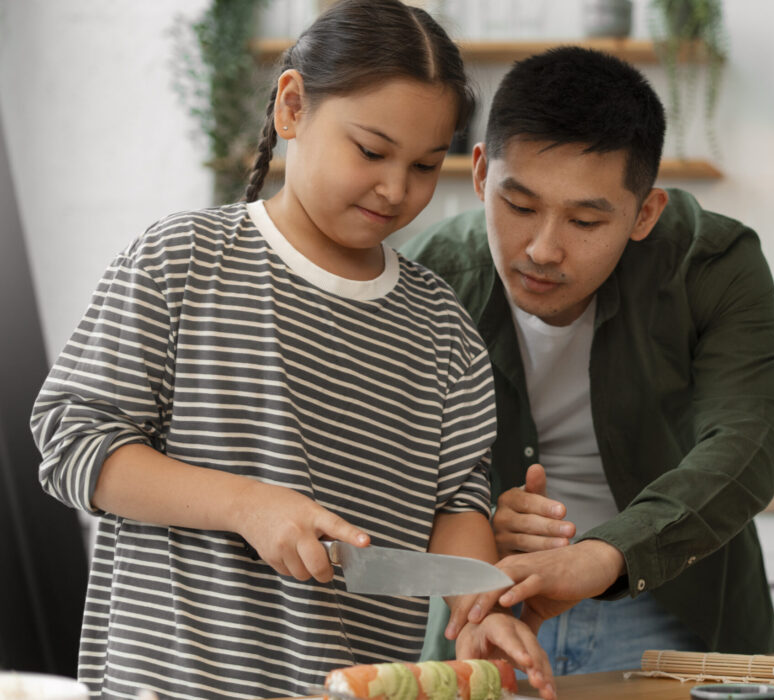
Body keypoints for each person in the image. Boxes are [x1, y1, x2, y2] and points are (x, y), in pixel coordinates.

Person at [29, 2, 555, 698]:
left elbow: (455, 506)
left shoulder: (441, 329)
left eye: (426, 165)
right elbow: (71, 445)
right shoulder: (181, 261)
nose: (396, 189)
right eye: (370, 151)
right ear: (293, 106)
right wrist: (247, 504)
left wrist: (477, 608)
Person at [401, 47, 774, 676]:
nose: (543, 249)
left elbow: (750, 442)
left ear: (645, 214)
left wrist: (608, 552)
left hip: (674, 603)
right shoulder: (425, 282)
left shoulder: (711, 263)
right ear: (479, 174)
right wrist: (474, 524)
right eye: (519, 206)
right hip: (487, 610)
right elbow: (387, 472)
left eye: (585, 220)